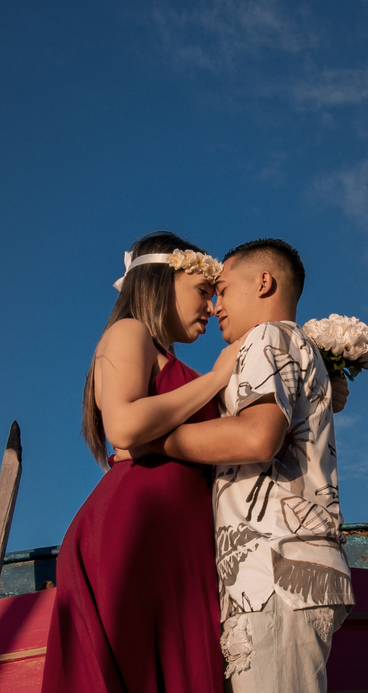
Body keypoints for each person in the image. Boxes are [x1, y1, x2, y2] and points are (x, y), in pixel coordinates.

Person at [131, 239, 354, 693]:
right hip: (285, 571)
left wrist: (153, 442)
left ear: (264, 282)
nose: (215, 307)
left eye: (224, 290)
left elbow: (258, 436)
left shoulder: (267, 337)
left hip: (275, 570)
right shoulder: (298, 346)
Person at [41, 231, 241, 693]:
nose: (211, 307)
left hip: (184, 540)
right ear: (161, 282)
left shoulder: (177, 365)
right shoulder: (128, 332)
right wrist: (215, 379)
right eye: (202, 291)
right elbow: (125, 426)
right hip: (136, 531)